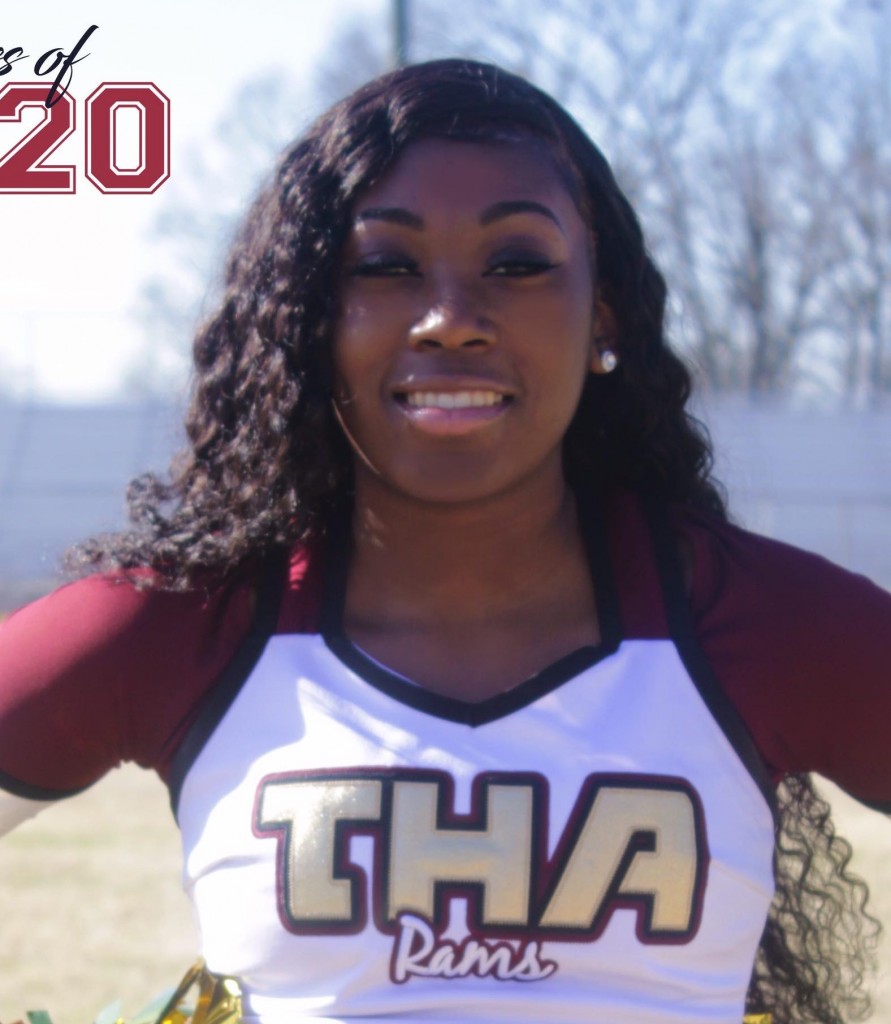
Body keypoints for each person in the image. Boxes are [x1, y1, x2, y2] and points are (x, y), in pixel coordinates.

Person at [0, 58, 888, 1024]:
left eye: (517, 264)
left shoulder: (757, 622)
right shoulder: (190, 626)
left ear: (602, 311)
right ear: (308, 319)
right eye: (385, 267)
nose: (451, 321)